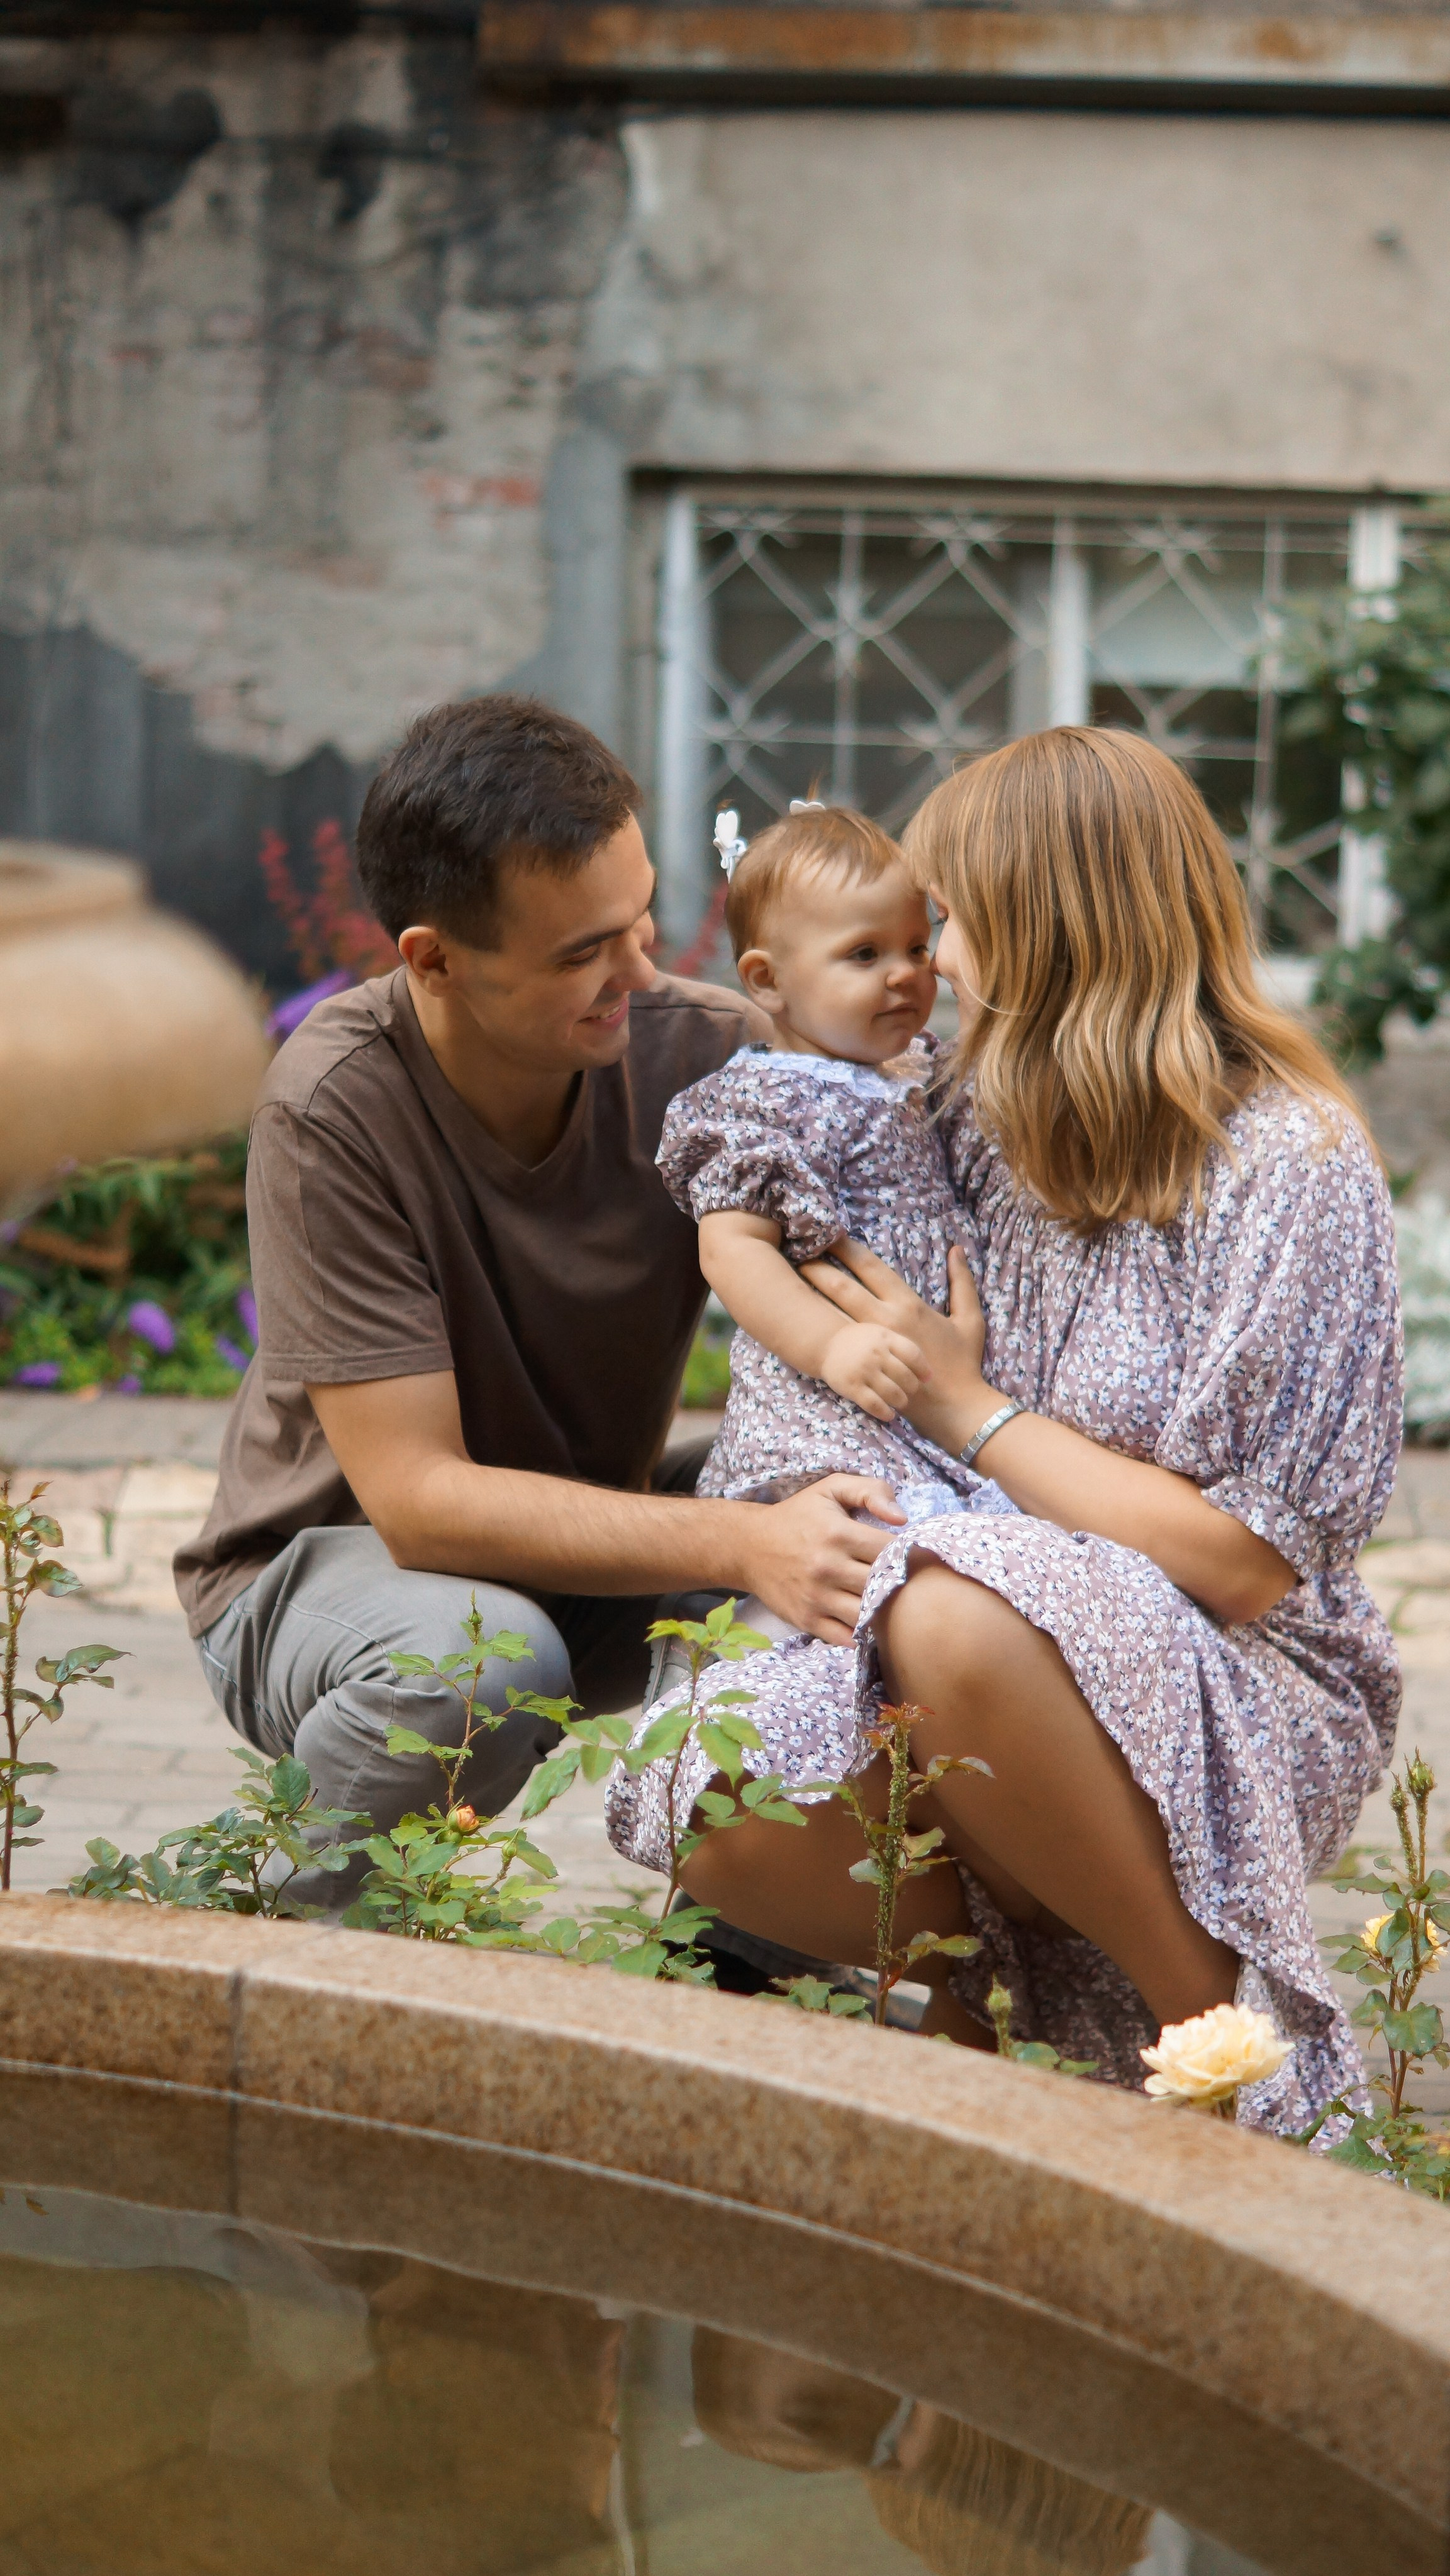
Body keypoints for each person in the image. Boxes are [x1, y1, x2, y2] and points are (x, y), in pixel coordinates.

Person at [609, 728, 1403, 2131]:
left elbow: (1241, 1567)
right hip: (990, 1633)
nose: (935, 962)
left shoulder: (1292, 1162)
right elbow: (777, 1112)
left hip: (1238, 1670)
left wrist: (966, 1409)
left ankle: (1216, 2040)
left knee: (947, 1614)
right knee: (710, 1783)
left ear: (1049, 926)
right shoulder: (961, 1120)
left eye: (952, 922)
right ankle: (983, 2041)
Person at [174, 696, 906, 1898]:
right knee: (486, 1661)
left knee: (877, 1540)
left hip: (580, 1540)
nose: (642, 972)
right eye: (582, 953)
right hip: (326, 1573)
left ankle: (749, 1969)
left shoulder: (704, 1059)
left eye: (640, 917)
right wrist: (743, 1541)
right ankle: (281, 1973)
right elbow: (422, 1505)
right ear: (434, 960)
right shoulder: (334, 1109)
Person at [655, 797, 997, 1517]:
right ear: (767, 980)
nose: (907, 974)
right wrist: (831, 1347)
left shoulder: (916, 1070)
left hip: (931, 1381)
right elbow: (734, 1252)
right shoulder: (764, 1101)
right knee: (870, 1526)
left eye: (915, 946)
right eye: (865, 954)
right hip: (825, 1398)